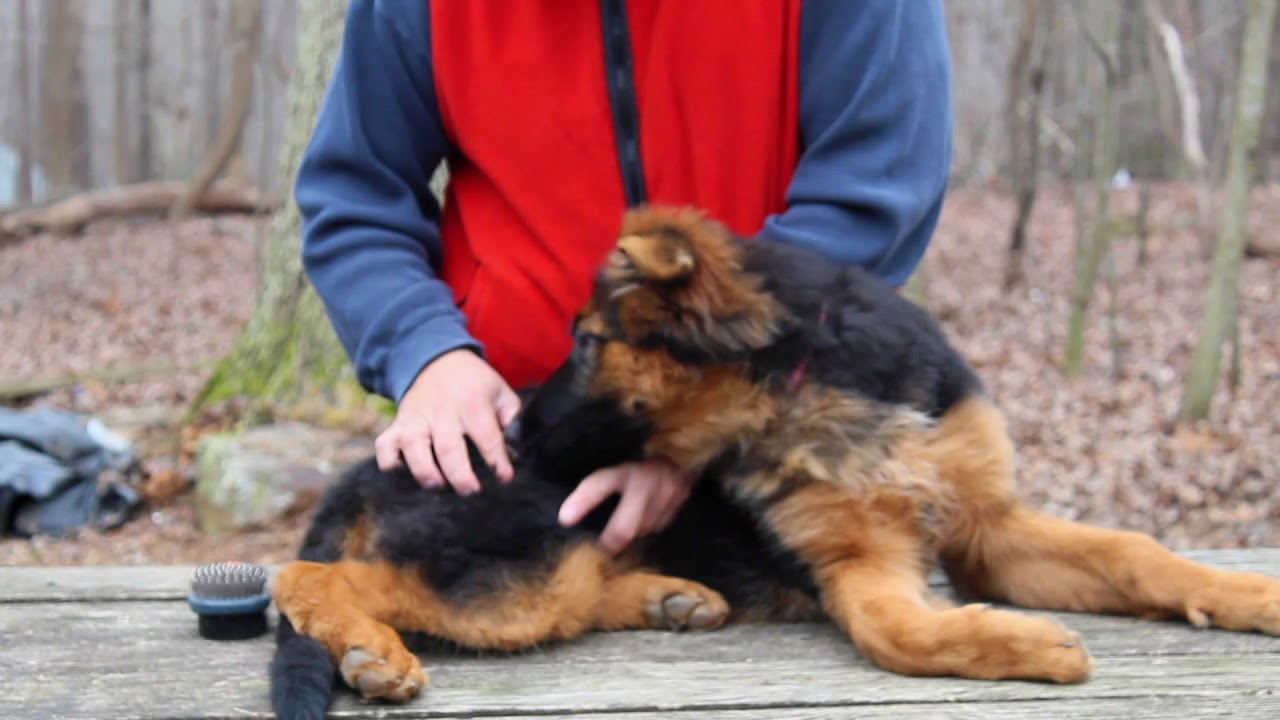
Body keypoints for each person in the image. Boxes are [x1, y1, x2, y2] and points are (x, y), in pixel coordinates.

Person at [295, 0, 953, 556]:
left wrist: (681, 419)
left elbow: (872, 197)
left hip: (786, 455)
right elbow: (356, 199)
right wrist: (424, 353)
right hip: (512, 460)